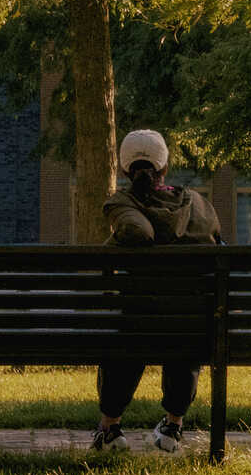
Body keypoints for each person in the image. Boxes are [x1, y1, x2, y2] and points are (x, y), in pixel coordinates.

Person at [90, 128, 221, 456]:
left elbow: (131, 239)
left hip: (139, 323)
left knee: (125, 334)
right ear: (165, 167)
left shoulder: (126, 206)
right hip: (192, 327)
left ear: (123, 169)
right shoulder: (201, 206)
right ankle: (173, 425)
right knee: (186, 330)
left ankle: (109, 427)